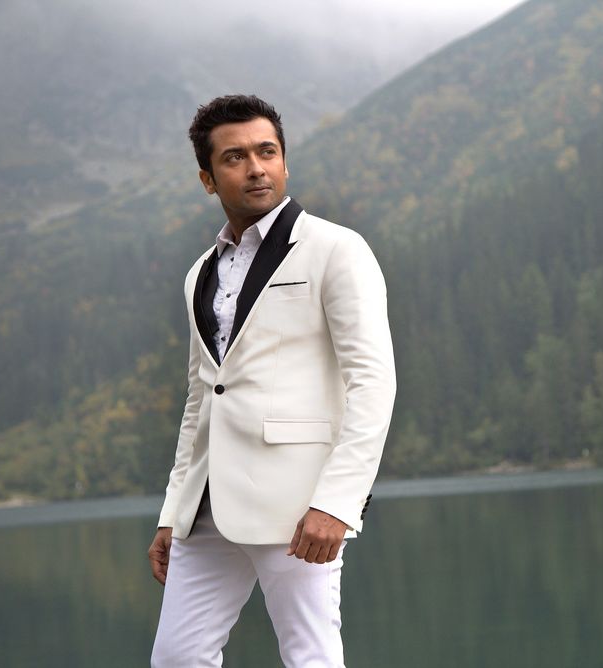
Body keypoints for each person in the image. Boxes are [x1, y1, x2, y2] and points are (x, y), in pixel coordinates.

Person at [147, 94, 397, 667]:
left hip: (298, 506)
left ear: (284, 161)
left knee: (310, 657)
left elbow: (372, 382)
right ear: (208, 179)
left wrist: (338, 504)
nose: (256, 167)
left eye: (267, 152)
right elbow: (200, 399)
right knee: (177, 659)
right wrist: (173, 511)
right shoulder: (200, 273)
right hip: (206, 508)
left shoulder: (337, 249)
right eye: (235, 157)